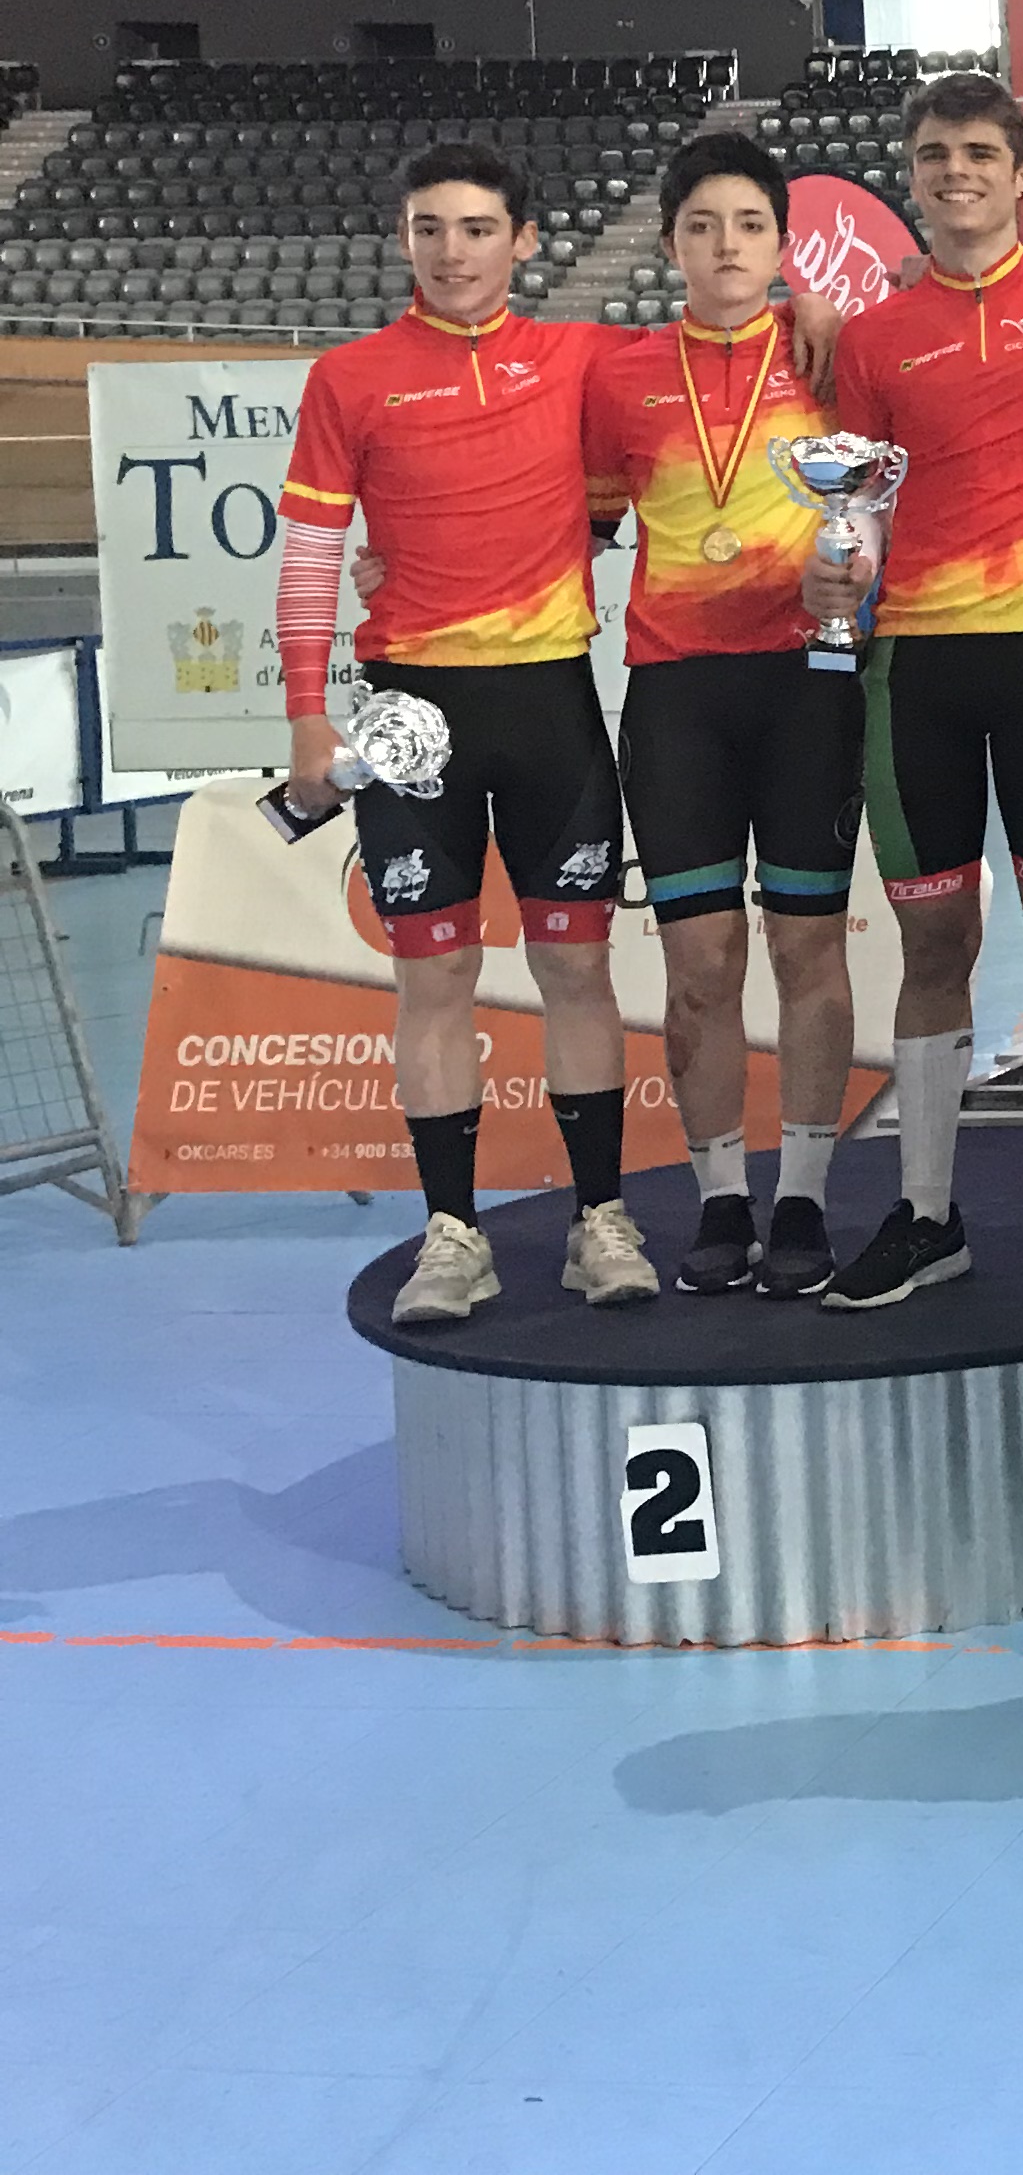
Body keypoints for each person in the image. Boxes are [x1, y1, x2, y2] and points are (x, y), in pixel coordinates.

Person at [281, 147, 651, 1322]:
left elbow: (716, 357)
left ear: (524, 241)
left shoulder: (581, 356)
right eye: (430, 228)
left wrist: (822, 315)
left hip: (549, 701)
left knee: (576, 967)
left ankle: (601, 1219)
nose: (453, 251)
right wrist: (306, 713)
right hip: (412, 713)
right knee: (433, 973)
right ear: (403, 239)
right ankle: (452, 1236)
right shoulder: (349, 378)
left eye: (479, 228)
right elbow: (311, 555)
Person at [810, 71, 1023, 1308]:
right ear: (912, 175)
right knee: (933, 938)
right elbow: (856, 506)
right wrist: (838, 580)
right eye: (934, 154)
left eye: (978, 153)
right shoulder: (872, 338)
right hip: (913, 665)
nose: (956, 172)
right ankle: (926, 1215)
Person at [581, 134, 863, 1299]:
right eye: (703, 226)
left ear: (782, 242)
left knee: (807, 948)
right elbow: (577, 528)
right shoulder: (621, 376)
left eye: (749, 224)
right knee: (700, 961)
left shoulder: (832, 356)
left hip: (809, 682)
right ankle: (719, 1198)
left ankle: (802, 1196)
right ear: (670, 244)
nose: (727, 246)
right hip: (678, 692)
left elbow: (891, 500)